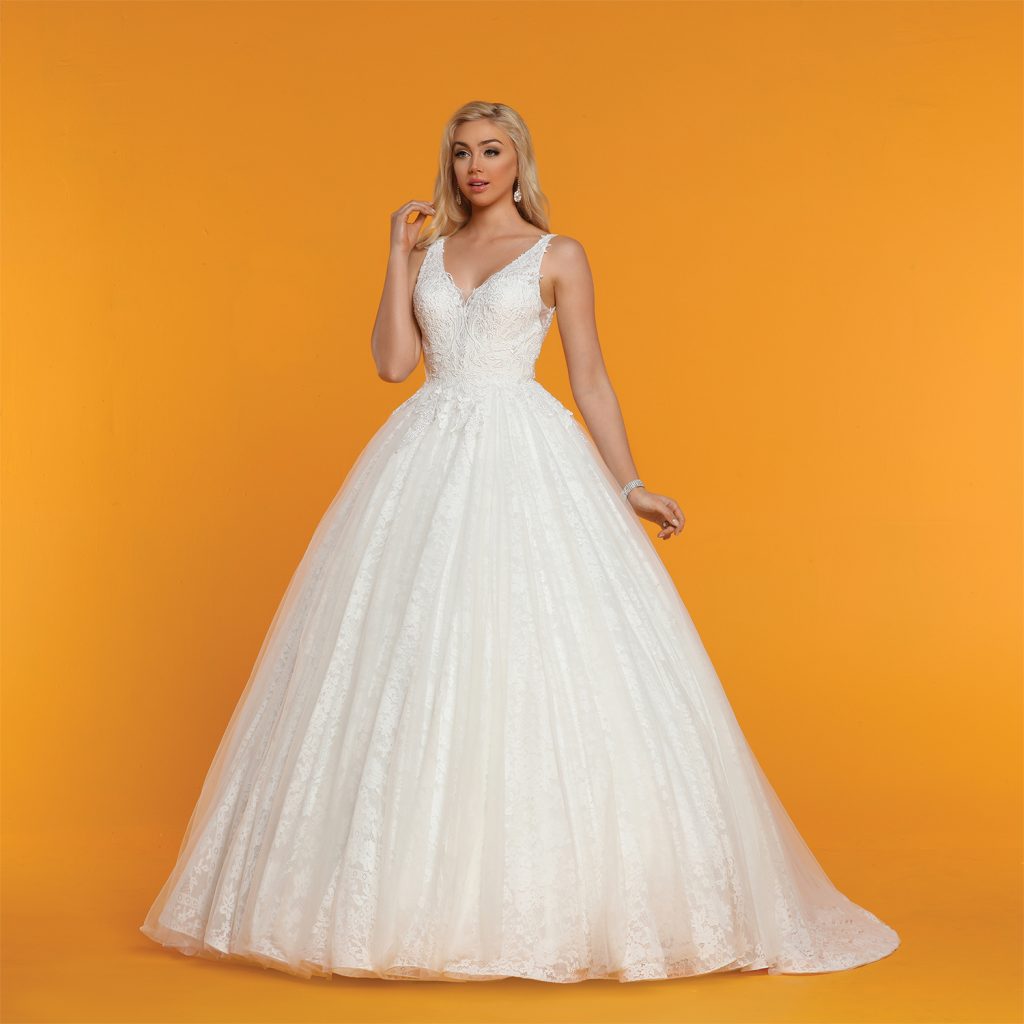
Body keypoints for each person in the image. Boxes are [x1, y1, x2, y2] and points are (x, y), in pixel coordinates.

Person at [139, 101, 900, 983]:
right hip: (423, 460)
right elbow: (392, 365)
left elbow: (591, 379)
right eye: (462, 152)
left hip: (524, 457)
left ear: (517, 161)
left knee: (530, 654)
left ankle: (550, 903)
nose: (475, 166)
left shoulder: (557, 254)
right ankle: (398, 901)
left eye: (492, 151)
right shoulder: (427, 252)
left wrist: (630, 485)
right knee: (412, 657)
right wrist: (394, 256)